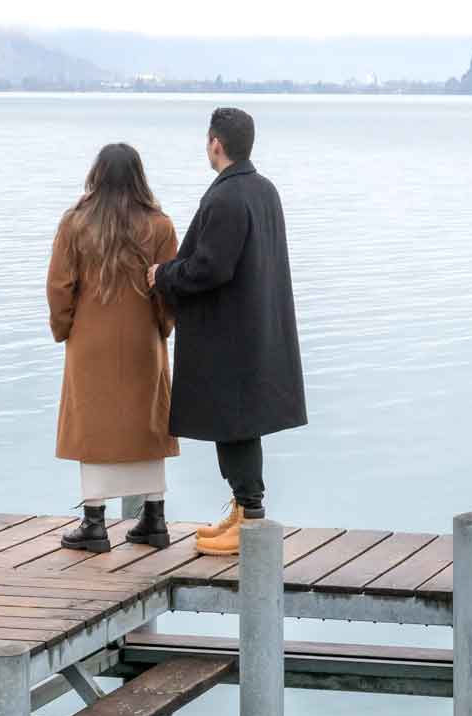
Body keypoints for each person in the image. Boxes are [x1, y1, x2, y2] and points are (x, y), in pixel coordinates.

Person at [148, 107, 307, 555]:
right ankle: (242, 509)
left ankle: (251, 517)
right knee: (237, 424)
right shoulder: (264, 190)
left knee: (235, 423)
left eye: (207, 140)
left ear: (216, 143)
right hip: (256, 326)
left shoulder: (227, 197)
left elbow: (210, 267)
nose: (207, 146)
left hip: (231, 333)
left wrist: (163, 276)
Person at [47, 143, 180, 552]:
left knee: (94, 426)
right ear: (139, 176)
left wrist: (65, 328)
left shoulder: (76, 222)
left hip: (90, 341)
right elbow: (169, 288)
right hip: (143, 340)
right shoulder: (159, 225)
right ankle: (154, 519)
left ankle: (94, 523)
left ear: (96, 174)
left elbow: (59, 287)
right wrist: (162, 327)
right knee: (148, 424)